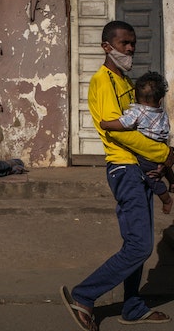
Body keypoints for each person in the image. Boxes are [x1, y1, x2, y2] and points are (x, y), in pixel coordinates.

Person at [60, 21, 174, 331]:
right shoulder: (103, 81)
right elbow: (120, 132)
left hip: (140, 167)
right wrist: (162, 153)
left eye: (133, 43)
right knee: (139, 247)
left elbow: (142, 124)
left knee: (136, 242)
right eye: (125, 43)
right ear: (106, 46)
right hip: (125, 168)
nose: (131, 49)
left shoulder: (125, 80)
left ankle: (133, 307)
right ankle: (84, 295)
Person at [100, 71, 174, 215]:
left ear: (135, 97)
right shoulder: (162, 113)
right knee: (165, 165)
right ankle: (172, 180)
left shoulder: (137, 112)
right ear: (160, 101)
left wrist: (106, 124)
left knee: (152, 177)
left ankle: (166, 199)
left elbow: (123, 124)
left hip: (146, 152)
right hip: (162, 147)